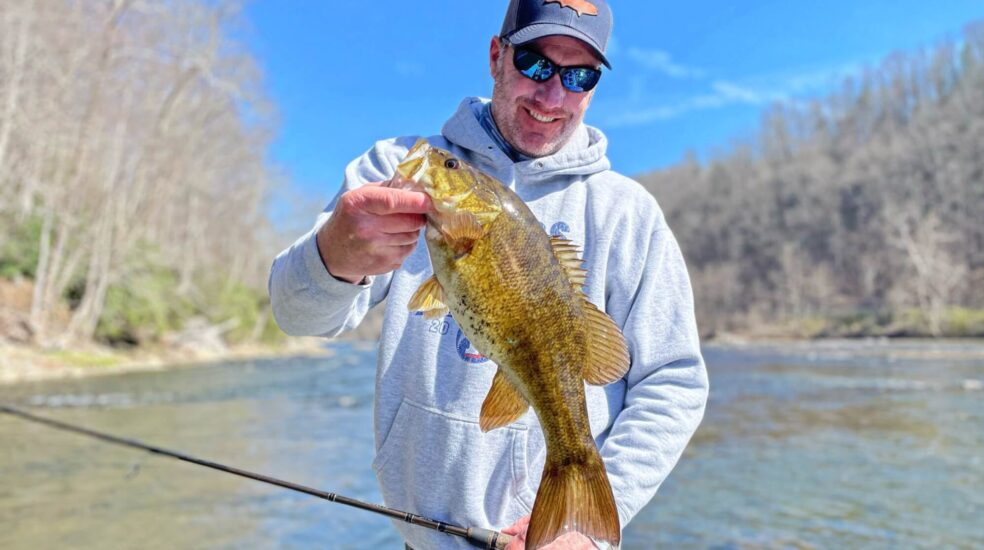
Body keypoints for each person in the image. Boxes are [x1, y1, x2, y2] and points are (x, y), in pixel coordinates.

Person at [268, 0, 709, 548]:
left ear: (594, 87)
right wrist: (334, 255)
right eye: (537, 64)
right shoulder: (397, 170)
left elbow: (673, 381)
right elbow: (296, 316)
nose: (553, 95)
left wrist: (590, 519)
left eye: (578, 75)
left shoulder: (628, 214)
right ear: (497, 56)